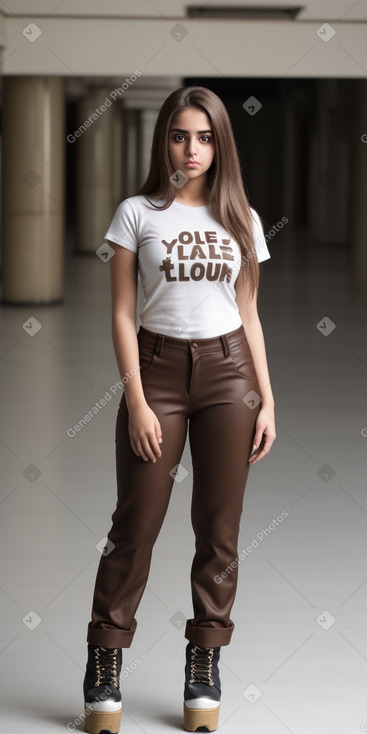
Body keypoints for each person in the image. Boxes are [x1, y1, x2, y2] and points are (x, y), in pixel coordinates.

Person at [83, 85, 276, 734]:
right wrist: (135, 399)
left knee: (218, 532)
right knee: (134, 525)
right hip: (157, 371)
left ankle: (204, 663)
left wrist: (266, 397)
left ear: (220, 143)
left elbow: (248, 312)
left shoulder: (242, 218)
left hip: (229, 376)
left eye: (202, 137)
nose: (190, 149)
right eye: (177, 135)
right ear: (162, 140)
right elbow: (119, 312)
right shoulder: (137, 212)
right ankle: (104, 662)